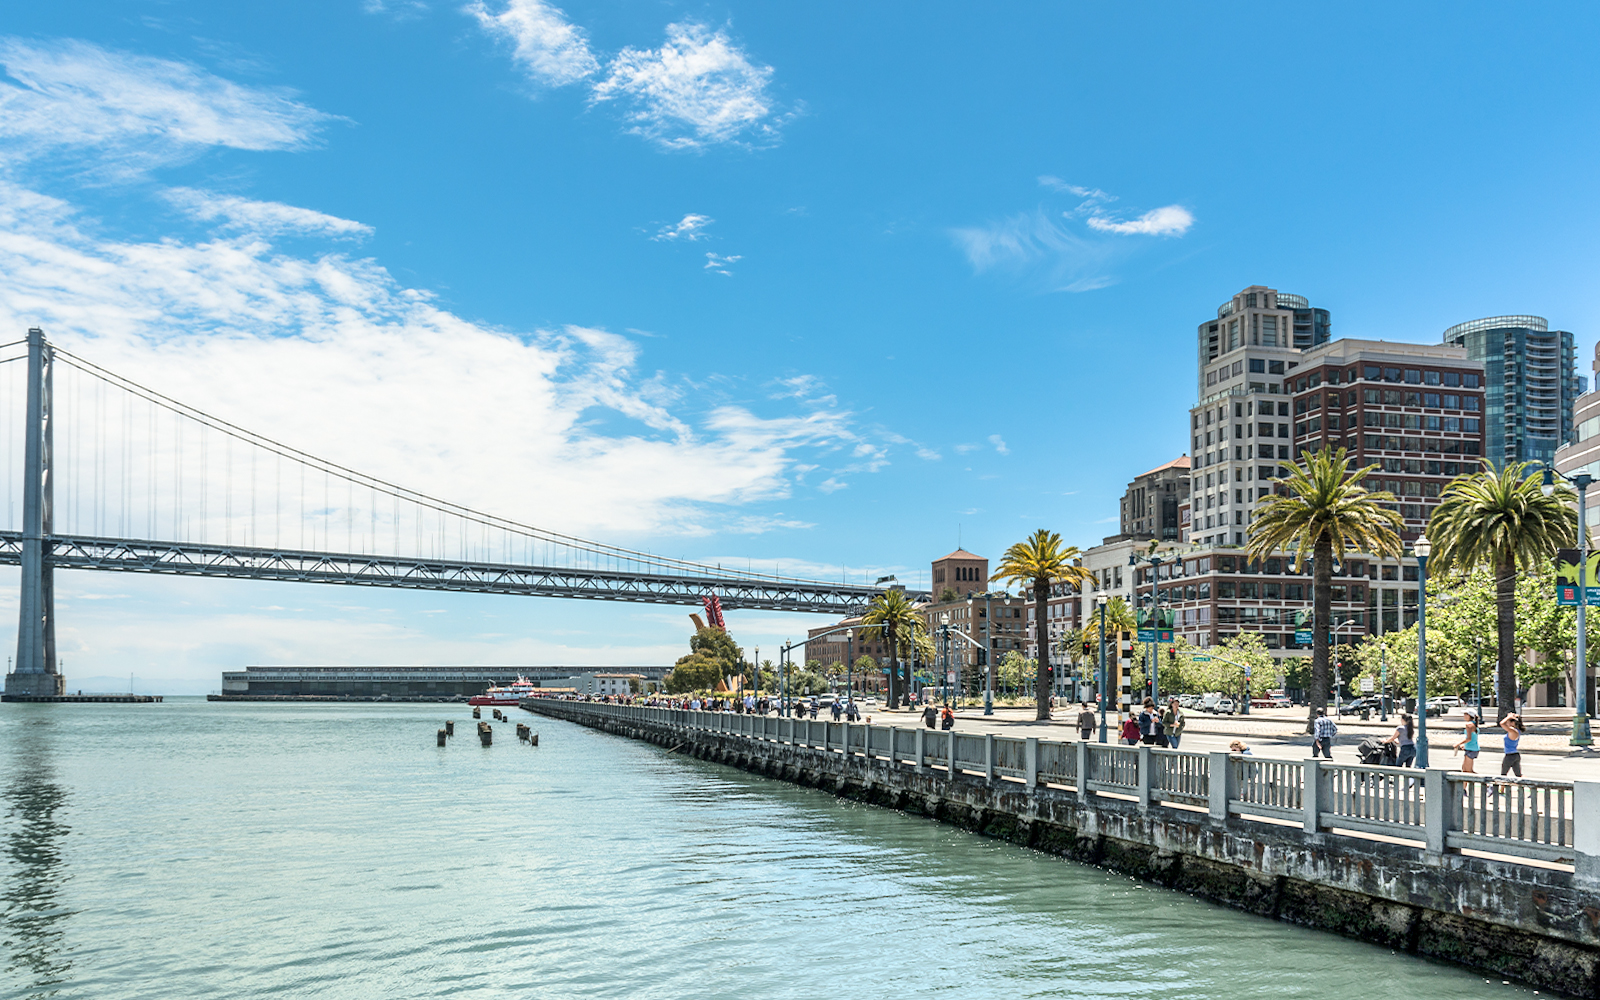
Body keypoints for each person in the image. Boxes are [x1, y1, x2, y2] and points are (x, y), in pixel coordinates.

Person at [1500, 713, 1523, 777]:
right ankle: (1530, 784)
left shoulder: (1513, 731)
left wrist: (1508, 717)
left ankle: (1501, 787)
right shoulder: (1516, 731)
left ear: (1513, 723)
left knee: (1503, 775)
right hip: (1515, 754)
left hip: (1509, 755)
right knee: (1518, 775)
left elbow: (1501, 723)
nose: (1507, 723)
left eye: (1508, 722)